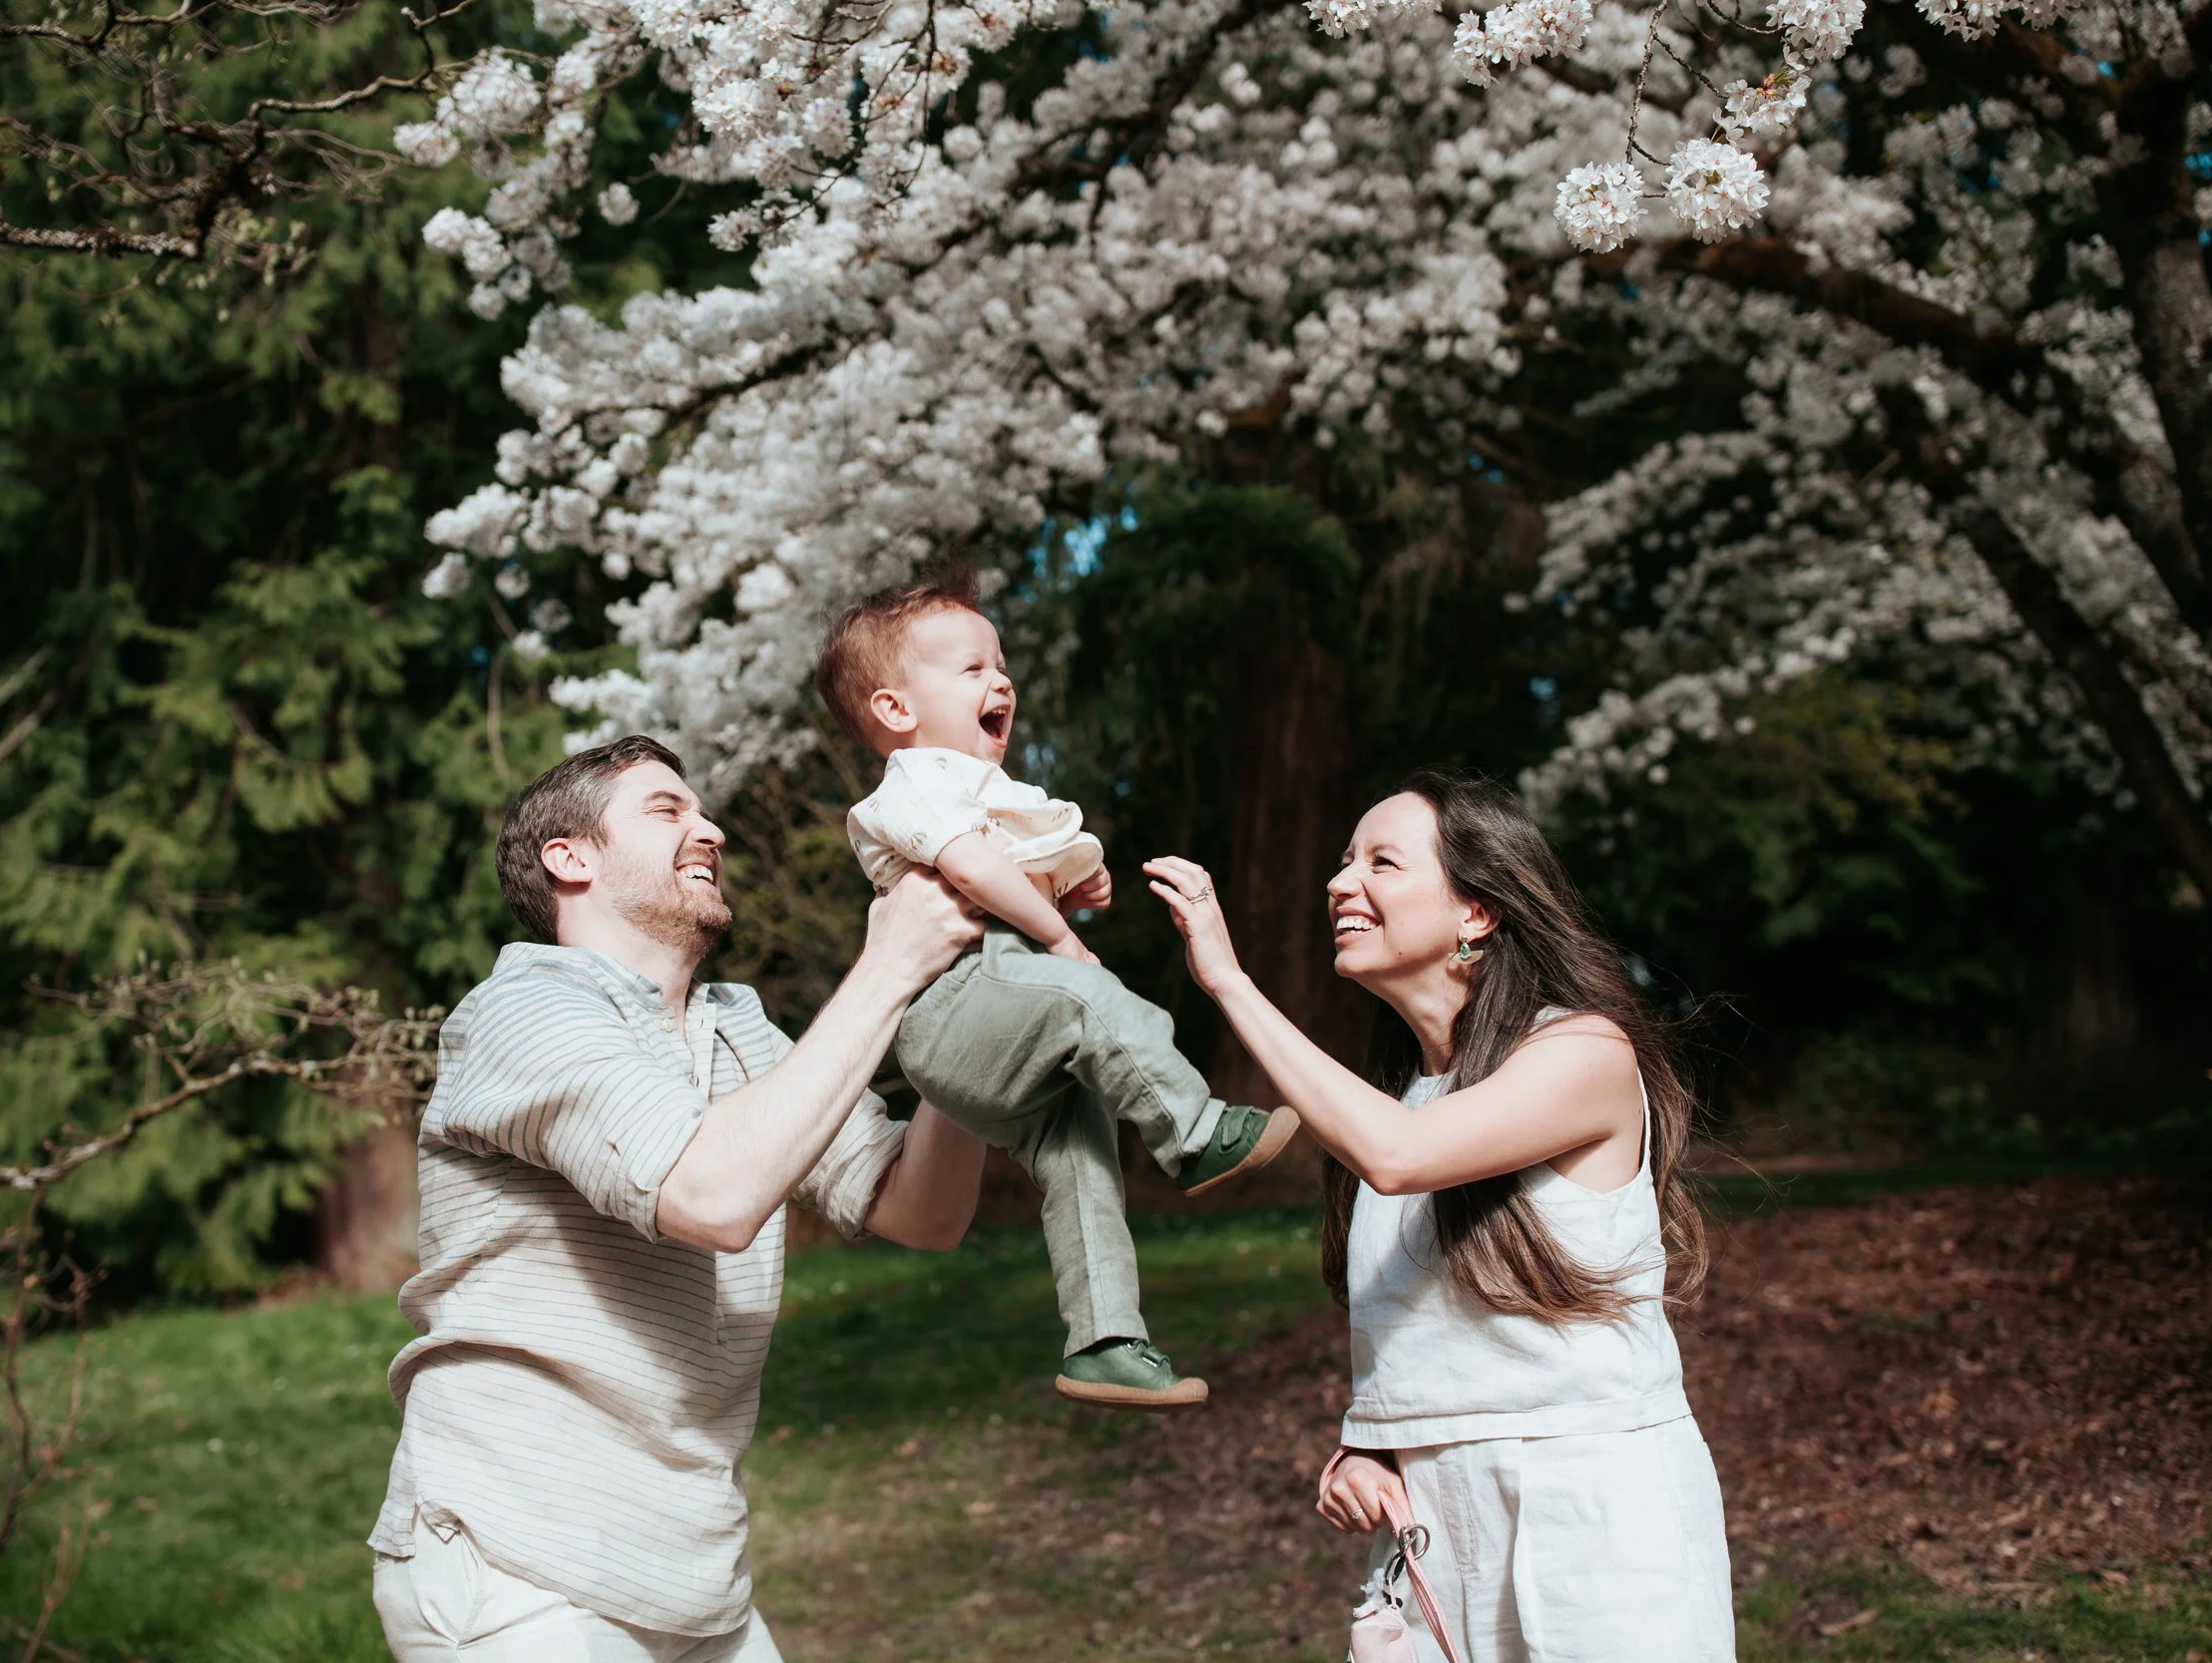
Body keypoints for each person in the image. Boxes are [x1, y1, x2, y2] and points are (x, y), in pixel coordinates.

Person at [368, 735, 991, 1662]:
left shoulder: (737, 1029)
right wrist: (890, 965)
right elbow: (711, 1194)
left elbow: (921, 1210)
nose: (711, 828)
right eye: (667, 810)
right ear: (568, 858)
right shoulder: (522, 1010)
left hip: (694, 1583)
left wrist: (967, 1007)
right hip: (516, 1569)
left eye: (703, 810)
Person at [1143, 771, 1734, 1662]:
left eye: (1382, 861)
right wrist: (1371, 1445)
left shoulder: (1584, 1050)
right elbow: (1416, 1332)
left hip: (1594, 1517)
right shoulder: (1400, 1092)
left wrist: (1227, 981)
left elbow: (1401, 1155)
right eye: (1345, 862)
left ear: (1478, 913)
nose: (1343, 882)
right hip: (1432, 1532)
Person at [814, 578, 1299, 1412]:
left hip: (987, 1023)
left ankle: (1105, 1339)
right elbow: (968, 869)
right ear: (897, 709)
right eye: (972, 668)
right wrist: (1060, 934)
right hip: (956, 1005)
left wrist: (1058, 891)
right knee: (1085, 997)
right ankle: (1192, 1132)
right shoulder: (915, 780)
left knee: (1080, 1150)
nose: (1000, 682)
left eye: (1002, 666)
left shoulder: (968, 793)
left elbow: (989, 873)